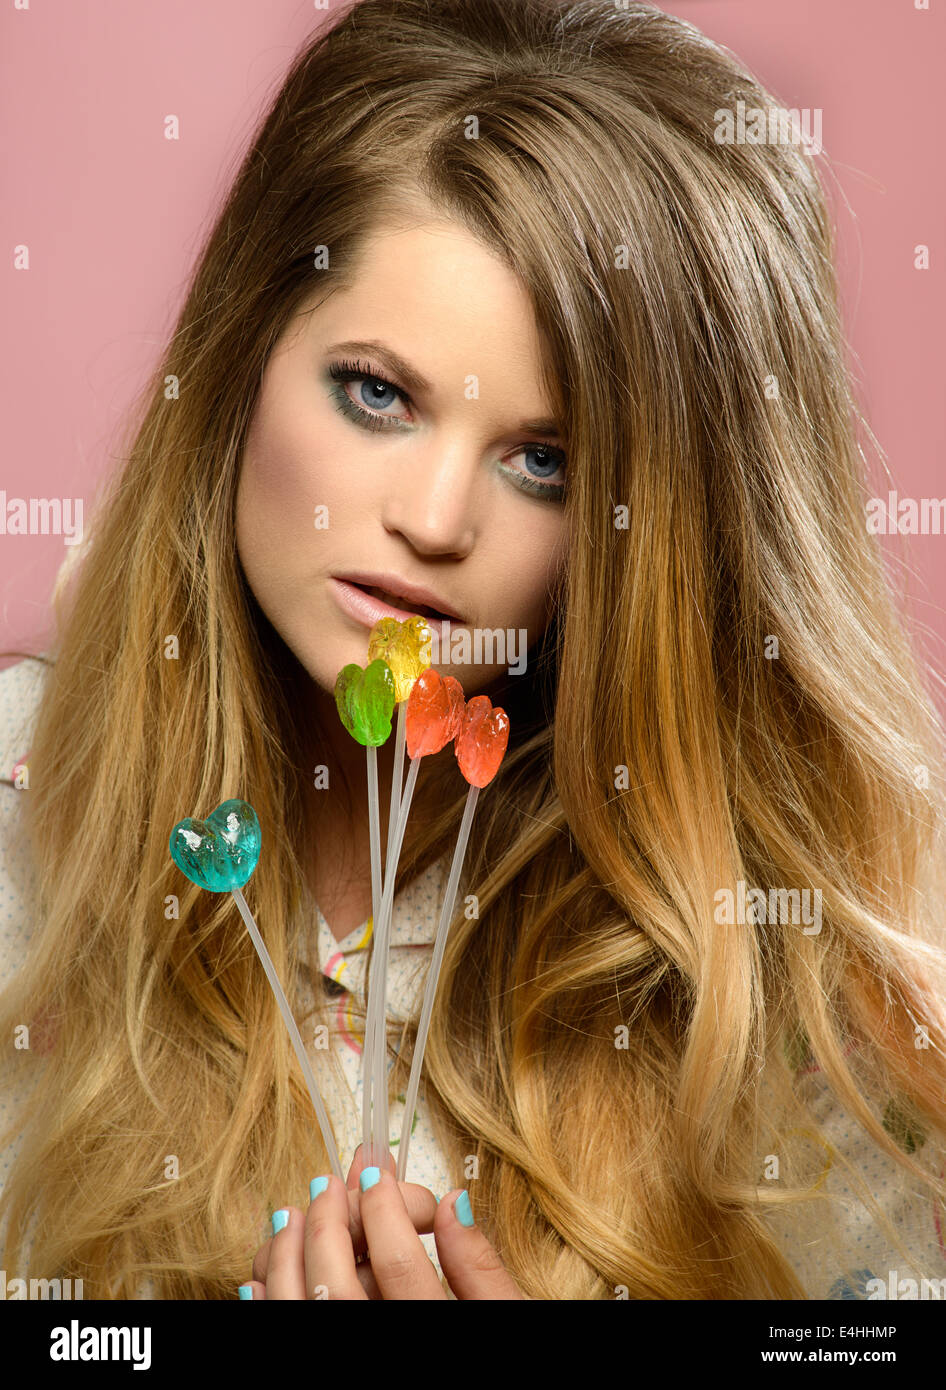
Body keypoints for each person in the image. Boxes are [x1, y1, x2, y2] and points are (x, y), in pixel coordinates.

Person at [1, 0, 945, 1301]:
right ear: (238, 361)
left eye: (545, 460)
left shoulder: (784, 963)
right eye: (375, 393)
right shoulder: (18, 818)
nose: (433, 522)